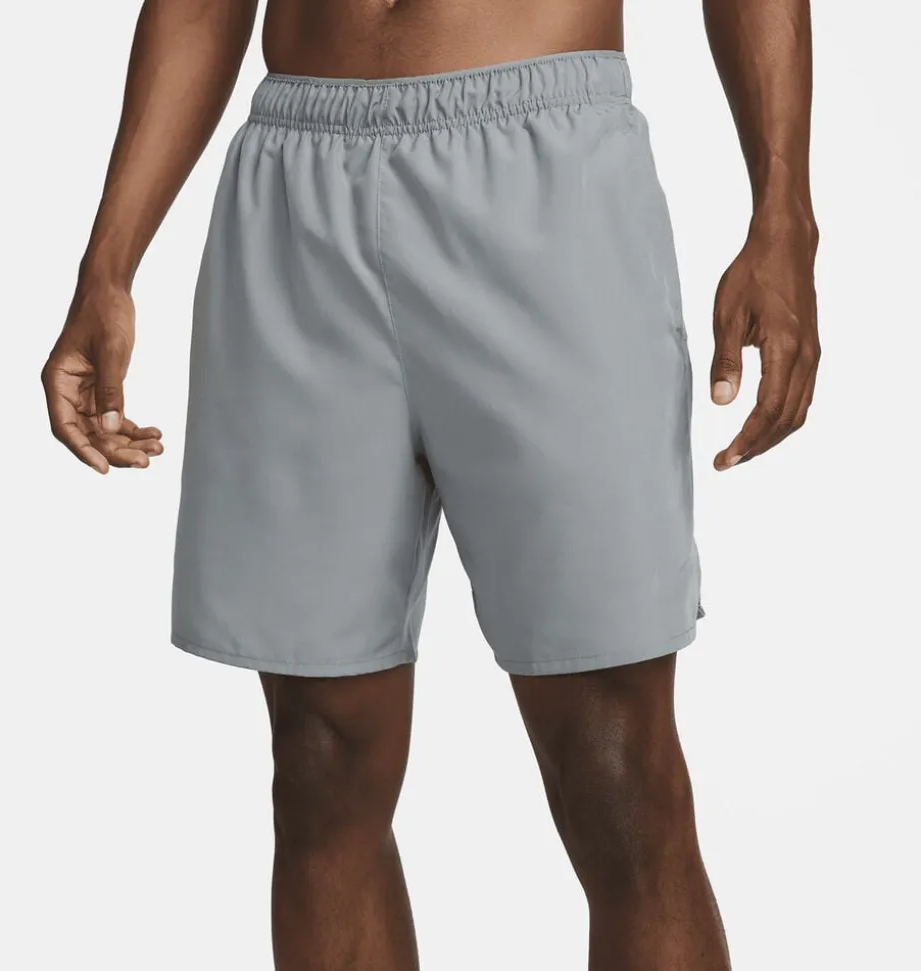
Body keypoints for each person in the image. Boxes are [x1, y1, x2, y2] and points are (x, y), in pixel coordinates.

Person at [42, 0, 819, 967]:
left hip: (544, 165)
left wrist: (784, 212)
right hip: (296, 181)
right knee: (319, 757)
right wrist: (108, 264)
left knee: (613, 758)